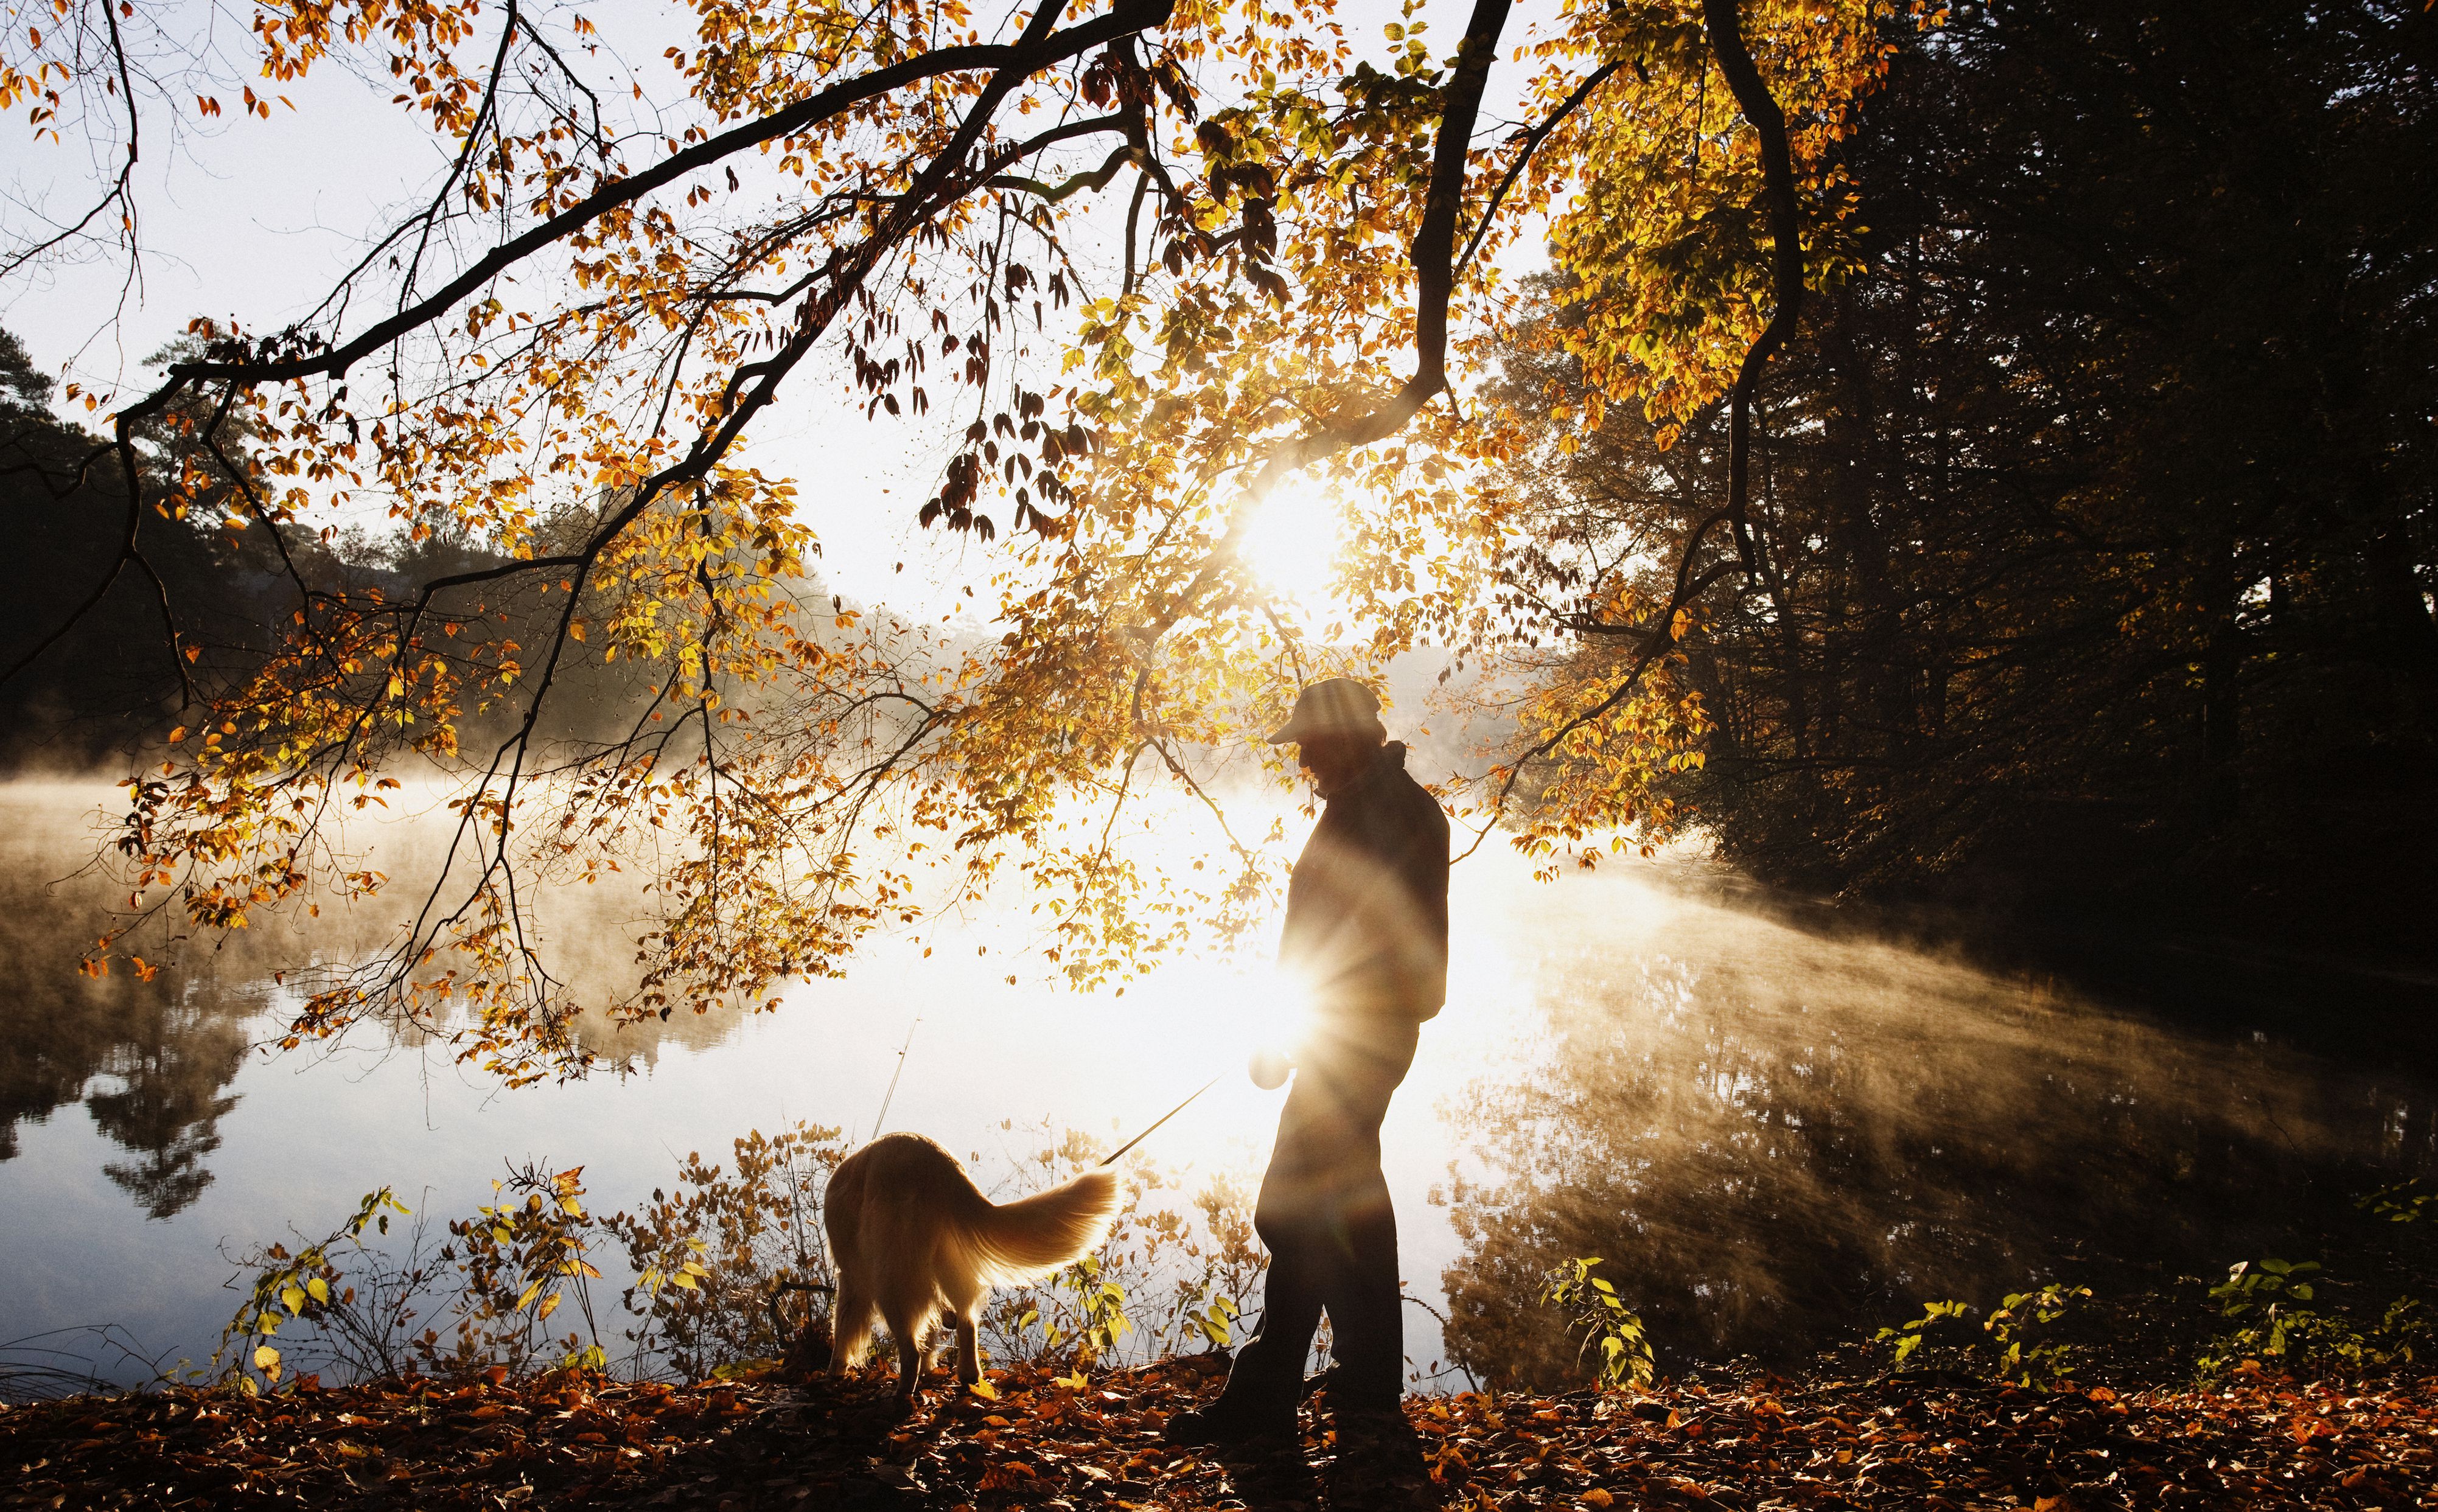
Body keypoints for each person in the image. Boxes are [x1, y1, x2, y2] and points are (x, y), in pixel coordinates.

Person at [1168, 676, 1450, 1445]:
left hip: (1358, 1041)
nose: (1300, 763)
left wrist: (1311, 1023)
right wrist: (1285, 1022)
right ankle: (1366, 1384)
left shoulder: (1389, 815)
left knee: (1291, 1208)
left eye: (1308, 746)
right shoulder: (1365, 806)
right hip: (1340, 1035)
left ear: (1344, 739)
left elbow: (1378, 945)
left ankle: (1271, 1396)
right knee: (1348, 1207)